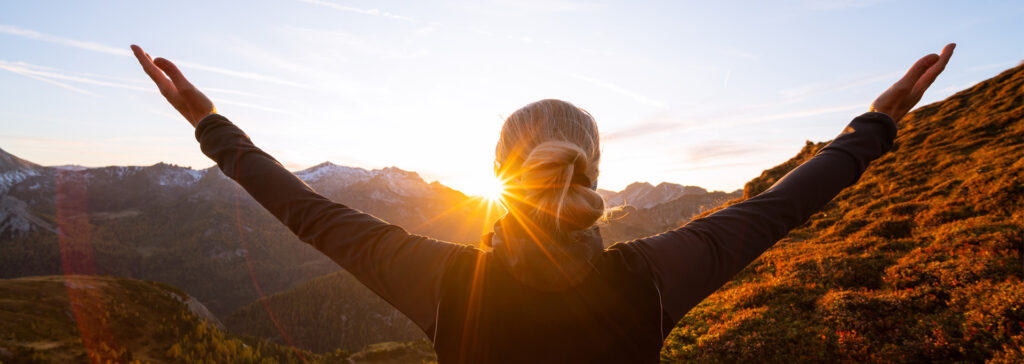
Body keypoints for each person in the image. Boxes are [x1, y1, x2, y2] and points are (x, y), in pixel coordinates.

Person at [131, 43, 954, 363]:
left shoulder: (441, 280)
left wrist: (210, 124)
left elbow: (305, 210)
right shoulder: (657, 275)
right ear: (594, 174)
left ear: (497, 171)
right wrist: (878, 122)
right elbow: (782, 206)